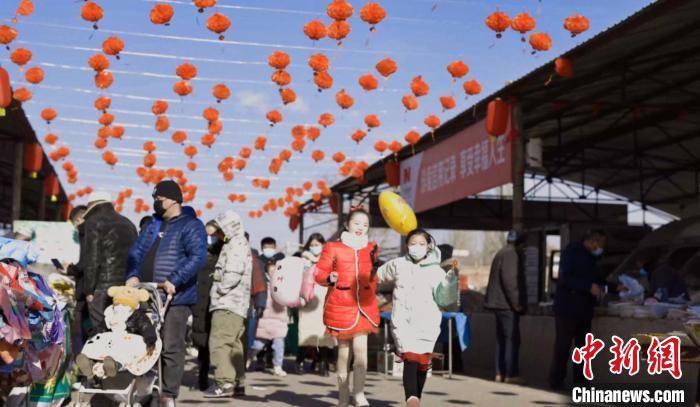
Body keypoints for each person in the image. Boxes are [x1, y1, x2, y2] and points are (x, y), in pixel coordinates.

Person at [126, 180, 207, 407]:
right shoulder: (153, 224)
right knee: (145, 343)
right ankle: (146, 390)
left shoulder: (191, 225)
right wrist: (132, 274)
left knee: (171, 346)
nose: (155, 203)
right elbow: (136, 252)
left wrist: (175, 279)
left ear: (172, 199)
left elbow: (198, 257)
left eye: (159, 199)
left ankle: (168, 394)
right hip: (147, 295)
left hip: (175, 298)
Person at [377, 229, 458, 407]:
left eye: (421, 244)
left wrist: (451, 283)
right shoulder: (398, 264)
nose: (417, 247)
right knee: (410, 358)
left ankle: (416, 397)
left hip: (427, 324)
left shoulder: (437, 271)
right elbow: (377, 276)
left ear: (429, 246)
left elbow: (445, 299)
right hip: (403, 322)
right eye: (413, 243)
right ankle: (411, 399)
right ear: (407, 245)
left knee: (422, 363)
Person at [315, 208, 380, 407]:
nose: (360, 227)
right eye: (356, 223)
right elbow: (319, 273)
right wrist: (329, 278)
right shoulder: (332, 247)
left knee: (361, 351)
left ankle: (359, 394)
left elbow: (373, 275)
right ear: (347, 225)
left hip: (365, 307)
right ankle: (343, 396)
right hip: (341, 305)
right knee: (344, 353)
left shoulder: (371, 247)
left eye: (365, 224)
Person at [549, 229, 607, 390]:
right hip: (567, 308)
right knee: (563, 346)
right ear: (593, 241)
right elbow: (565, 278)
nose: (602, 248)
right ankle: (556, 381)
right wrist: (588, 287)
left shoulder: (592, 258)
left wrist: (614, 287)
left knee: (582, 348)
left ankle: (580, 382)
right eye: (601, 244)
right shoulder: (572, 251)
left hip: (584, 310)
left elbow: (598, 278)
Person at [204, 211, 253, 398]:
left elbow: (232, 273)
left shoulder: (235, 245)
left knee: (220, 343)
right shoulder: (239, 244)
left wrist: (220, 290)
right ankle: (238, 382)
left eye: (220, 230)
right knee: (234, 345)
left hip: (227, 303)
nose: (218, 235)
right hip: (237, 305)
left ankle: (224, 383)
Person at [82, 191, 137, 335]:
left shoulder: (93, 222)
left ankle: (103, 357)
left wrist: (89, 290)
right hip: (125, 285)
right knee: (120, 327)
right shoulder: (128, 223)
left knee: (101, 330)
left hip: (102, 285)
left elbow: (92, 259)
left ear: (91, 205)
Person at [484, 231, 526, 385]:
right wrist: (517, 303)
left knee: (502, 340)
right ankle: (510, 374)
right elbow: (510, 281)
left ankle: (499, 372)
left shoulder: (501, 252)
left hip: (499, 304)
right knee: (511, 339)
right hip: (506, 305)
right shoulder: (511, 254)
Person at [191, 220, 223, 391]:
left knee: (215, 342)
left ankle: (217, 376)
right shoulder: (196, 254)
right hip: (200, 303)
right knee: (202, 341)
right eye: (206, 235)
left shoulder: (224, 255)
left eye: (213, 235)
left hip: (216, 303)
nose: (209, 239)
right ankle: (203, 377)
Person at [297, 233, 335, 376]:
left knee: (324, 334)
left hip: (325, 298)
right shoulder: (303, 259)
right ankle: (300, 360)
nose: (314, 248)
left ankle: (323, 364)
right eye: (312, 245)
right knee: (306, 332)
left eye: (317, 245)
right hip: (308, 299)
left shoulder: (329, 259)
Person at [248, 258, 290, 377]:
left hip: (279, 321)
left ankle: (277, 366)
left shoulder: (285, 286)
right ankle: (249, 358)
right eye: (271, 271)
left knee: (279, 346)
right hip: (264, 321)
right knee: (257, 345)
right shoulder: (263, 285)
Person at [63, 205, 89, 352]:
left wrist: (71, 269)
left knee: (79, 325)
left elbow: (83, 265)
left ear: (79, 219)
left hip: (84, 291)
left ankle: (79, 359)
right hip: (82, 289)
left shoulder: (86, 236)